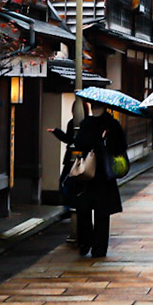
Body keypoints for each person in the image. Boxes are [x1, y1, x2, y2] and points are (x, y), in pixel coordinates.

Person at [53, 100, 124, 256]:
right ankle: (100, 248)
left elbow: (79, 143)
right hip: (105, 175)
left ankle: (85, 242)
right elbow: (120, 147)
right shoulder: (113, 124)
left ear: (92, 107)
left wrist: (94, 141)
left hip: (87, 175)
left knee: (84, 210)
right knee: (102, 214)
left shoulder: (87, 123)